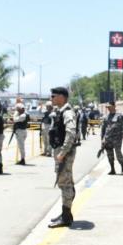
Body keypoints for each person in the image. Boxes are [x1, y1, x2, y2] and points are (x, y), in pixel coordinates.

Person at [47, 87, 78, 228]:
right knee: (66, 183)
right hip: (61, 152)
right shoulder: (60, 112)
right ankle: (66, 213)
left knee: (65, 184)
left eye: (53, 96)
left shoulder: (67, 113)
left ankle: (66, 217)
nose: (51, 98)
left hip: (64, 154)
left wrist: (62, 153)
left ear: (61, 97)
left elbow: (71, 134)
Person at [100, 101, 123, 175]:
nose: (108, 109)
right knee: (109, 155)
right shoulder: (106, 117)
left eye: (110, 107)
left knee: (118, 153)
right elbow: (103, 128)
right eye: (108, 107)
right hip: (108, 139)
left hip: (117, 139)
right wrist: (102, 139)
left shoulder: (120, 116)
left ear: (114, 106)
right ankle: (112, 169)